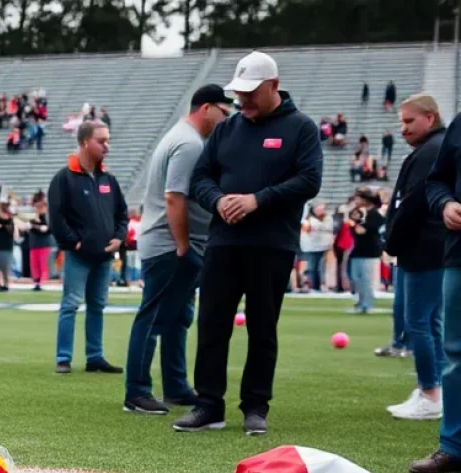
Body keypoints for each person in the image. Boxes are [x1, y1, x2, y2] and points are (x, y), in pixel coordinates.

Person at [180, 51, 321, 435]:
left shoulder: (301, 128)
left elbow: (310, 181)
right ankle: (208, 404)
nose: (242, 100)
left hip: (272, 244)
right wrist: (218, 200)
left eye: (250, 92)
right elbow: (200, 179)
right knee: (211, 324)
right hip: (224, 242)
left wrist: (258, 199)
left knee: (262, 327)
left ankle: (255, 406)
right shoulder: (227, 129)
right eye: (238, 92)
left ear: (273, 85)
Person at [124, 85, 232, 413]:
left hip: (170, 243)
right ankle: (137, 391)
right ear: (207, 108)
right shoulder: (188, 144)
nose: (226, 120)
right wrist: (183, 244)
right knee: (155, 316)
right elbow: (174, 196)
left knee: (177, 317)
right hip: (170, 244)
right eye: (224, 113)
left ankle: (175, 385)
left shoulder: (184, 137)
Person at [382, 95, 447, 420]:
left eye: (409, 121)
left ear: (430, 118)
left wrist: (392, 241)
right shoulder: (431, 149)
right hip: (426, 250)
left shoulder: (430, 152)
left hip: (423, 251)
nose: (403, 128)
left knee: (419, 323)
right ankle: (433, 389)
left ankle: (431, 393)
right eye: (401, 122)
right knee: (429, 323)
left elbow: (411, 206)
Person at [48, 119, 129, 374]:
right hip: (78, 256)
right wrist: (75, 242)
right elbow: (57, 217)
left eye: (108, 140)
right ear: (85, 142)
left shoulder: (109, 179)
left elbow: (122, 214)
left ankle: (95, 357)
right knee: (70, 304)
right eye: (102, 141)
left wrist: (118, 238)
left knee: (97, 306)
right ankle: (64, 358)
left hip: (104, 256)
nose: (108, 146)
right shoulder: (64, 178)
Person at [413, 111, 461, 473]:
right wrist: (445, 203)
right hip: (459, 254)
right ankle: (453, 445)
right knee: (456, 352)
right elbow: (437, 181)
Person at [347, 190, 383, 314]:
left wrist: (355, 224)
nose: (356, 202)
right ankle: (360, 303)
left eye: (358, 199)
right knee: (356, 278)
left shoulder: (374, 214)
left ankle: (367, 304)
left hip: (370, 251)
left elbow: (362, 230)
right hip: (358, 250)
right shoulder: (360, 213)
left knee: (366, 280)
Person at [28, 191, 52, 291]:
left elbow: (48, 228)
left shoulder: (47, 215)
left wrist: (36, 227)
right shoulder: (32, 216)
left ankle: (43, 282)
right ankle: (37, 282)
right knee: (35, 263)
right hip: (34, 242)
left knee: (43, 263)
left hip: (44, 242)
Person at [0, 200, 15, 290]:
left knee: (5, 267)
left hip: (6, 247)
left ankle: (6, 284)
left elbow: (8, 226)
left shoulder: (9, 220)